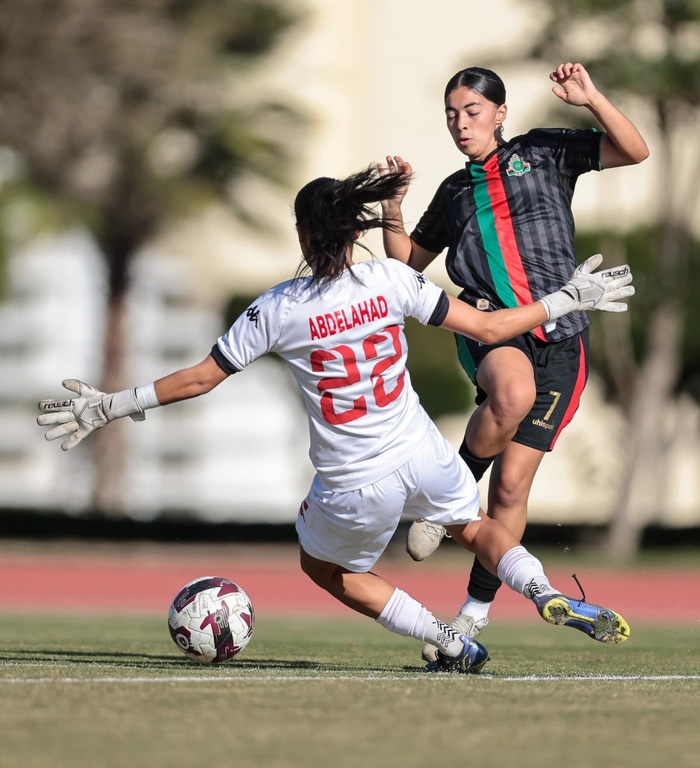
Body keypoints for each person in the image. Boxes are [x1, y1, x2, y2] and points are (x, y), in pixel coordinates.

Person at [36, 166, 633, 674]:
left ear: (301, 233)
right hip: (418, 449)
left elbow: (200, 378)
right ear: (353, 231)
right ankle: (545, 592)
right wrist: (565, 299)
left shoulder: (277, 307)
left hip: (352, 480)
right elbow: (488, 328)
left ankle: (447, 639)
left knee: (324, 567)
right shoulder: (391, 279)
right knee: (474, 526)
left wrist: (112, 404)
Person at [379, 61, 648, 661]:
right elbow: (405, 268)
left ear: (500, 113)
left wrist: (591, 98)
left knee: (511, 492)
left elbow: (635, 150)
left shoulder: (545, 151)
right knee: (511, 393)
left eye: (471, 111)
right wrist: (392, 209)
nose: (460, 124)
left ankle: (472, 615)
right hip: (493, 329)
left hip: (564, 337)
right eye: (451, 115)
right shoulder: (454, 192)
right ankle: (448, 491)